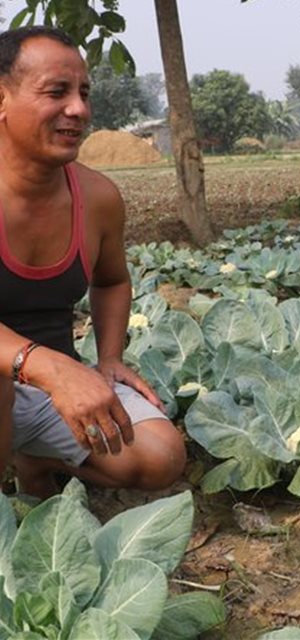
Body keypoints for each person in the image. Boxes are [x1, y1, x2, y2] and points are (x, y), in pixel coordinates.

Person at [0, 26, 186, 498]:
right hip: (25, 378)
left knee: (161, 455)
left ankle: (35, 459)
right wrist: (48, 368)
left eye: (84, 92)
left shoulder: (98, 197)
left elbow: (112, 281)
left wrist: (107, 359)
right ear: (1, 98)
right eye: (56, 92)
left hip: (50, 390)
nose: (79, 109)